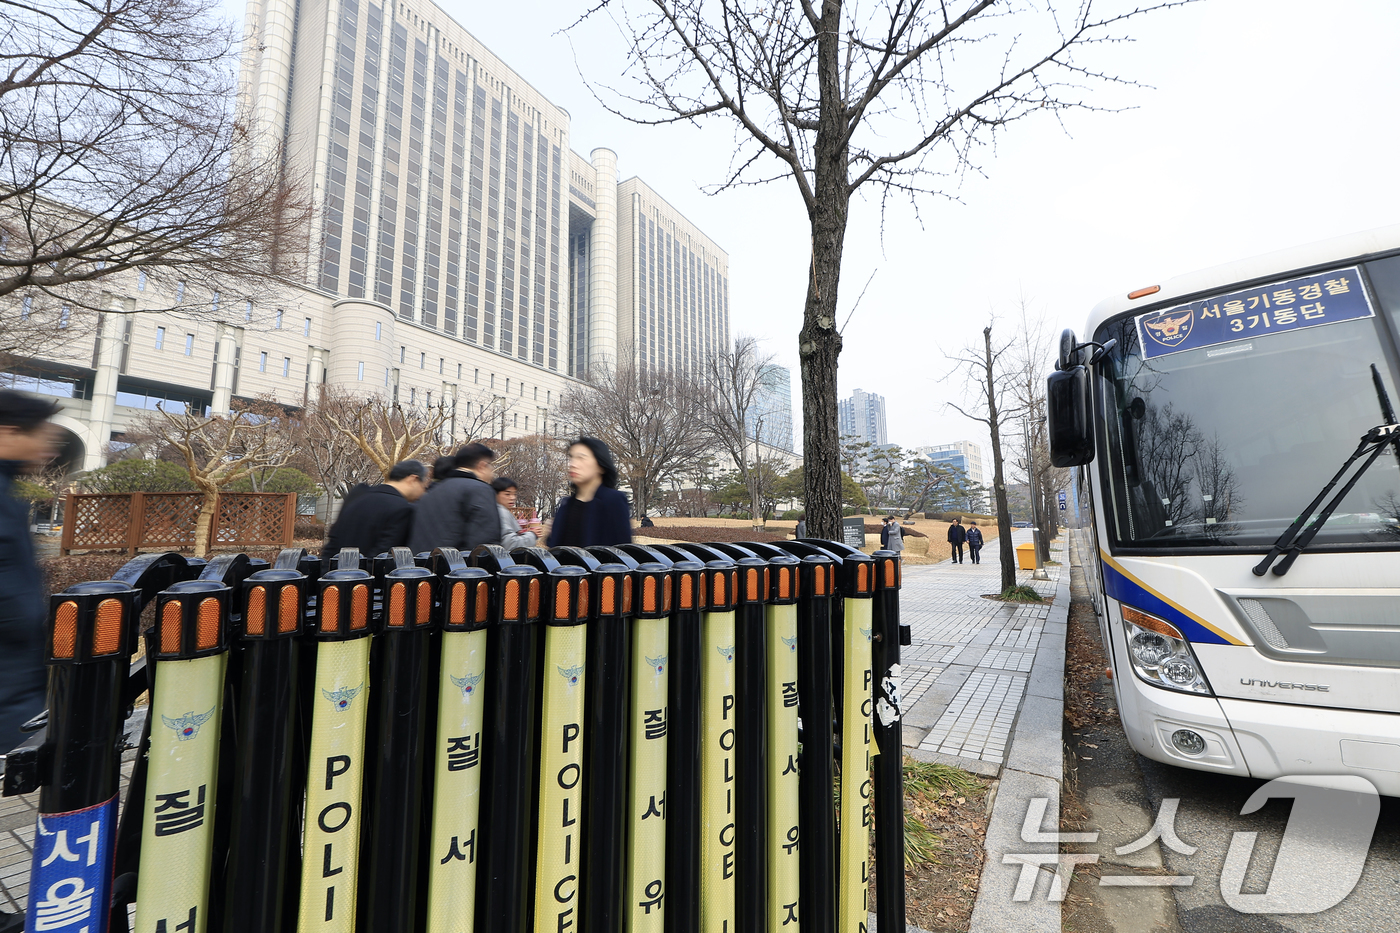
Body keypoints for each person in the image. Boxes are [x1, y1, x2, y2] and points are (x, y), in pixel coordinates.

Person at [0, 390, 60, 757]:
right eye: (41, 439)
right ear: (9, 433)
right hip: (11, 671)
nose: (48, 452)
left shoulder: (9, 492)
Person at [321, 460, 427, 561]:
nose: (423, 491)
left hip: (331, 573)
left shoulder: (357, 494)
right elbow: (382, 558)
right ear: (413, 479)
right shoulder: (403, 509)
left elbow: (333, 541)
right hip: (364, 577)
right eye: (423, 486)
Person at [409, 443, 500, 554]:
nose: (492, 471)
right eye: (491, 465)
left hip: (421, 567)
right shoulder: (480, 489)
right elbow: (484, 546)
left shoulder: (431, 492)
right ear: (482, 466)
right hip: (455, 568)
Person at [547, 437, 633, 548]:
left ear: (601, 466)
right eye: (571, 457)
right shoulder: (566, 504)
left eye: (581, 458)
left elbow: (623, 552)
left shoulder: (613, 500)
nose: (573, 464)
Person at [492, 476, 544, 550]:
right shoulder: (501, 513)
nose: (512, 497)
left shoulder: (500, 510)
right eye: (507, 494)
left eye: (514, 494)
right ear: (496, 494)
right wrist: (532, 534)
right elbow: (511, 544)